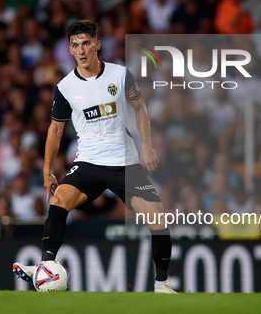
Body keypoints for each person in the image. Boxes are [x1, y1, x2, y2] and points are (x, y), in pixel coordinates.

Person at [13, 20, 176, 293]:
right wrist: (47, 171)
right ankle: (43, 266)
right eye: (75, 45)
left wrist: (146, 146)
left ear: (97, 45)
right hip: (88, 162)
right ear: (70, 50)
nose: (81, 50)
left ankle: (161, 285)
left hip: (124, 162)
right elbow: (55, 129)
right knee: (59, 200)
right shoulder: (65, 87)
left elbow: (140, 108)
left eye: (86, 43)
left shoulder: (120, 75)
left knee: (158, 219)